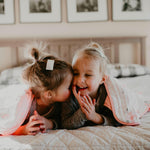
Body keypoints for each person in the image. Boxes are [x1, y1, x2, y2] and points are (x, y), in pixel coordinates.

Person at [61, 42, 150, 129]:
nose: (80, 80)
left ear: (102, 79)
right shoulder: (70, 94)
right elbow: (65, 123)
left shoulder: (110, 96)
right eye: (76, 73)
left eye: (88, 75)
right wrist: (83, 112)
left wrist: (95, 117)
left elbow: (118, 120)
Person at [12, 42, 73, 135]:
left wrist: (50, 124)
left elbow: (63, 121)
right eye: (68, 87)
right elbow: (9, 128)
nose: (73, 88)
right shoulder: (25, 105)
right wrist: (24, 129)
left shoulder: (62, 103)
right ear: (49, 94)